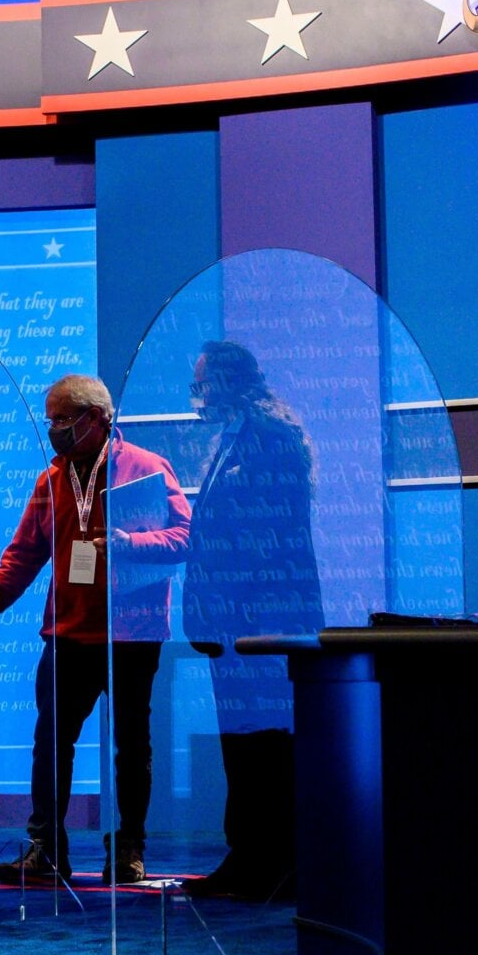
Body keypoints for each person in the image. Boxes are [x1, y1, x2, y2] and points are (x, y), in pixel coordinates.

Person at [0, 374, 191, 885]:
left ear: (99, 418)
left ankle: (128, 849)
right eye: (51, 420)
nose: (54, 429)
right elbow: (23, 553)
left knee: (132, 744)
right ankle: (46, 850)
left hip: (131, 634)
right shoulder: (51, 479)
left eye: (64, 419)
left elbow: (183, 537)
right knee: (51, 742)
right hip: (66, 634)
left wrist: (132, 542)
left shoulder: (147, 469)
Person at [181, 341, 324, 900]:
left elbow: (264, 540)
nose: (197, 398)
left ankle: (270, 860)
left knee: (264, 741)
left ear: (227, 382)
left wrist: (226, 609)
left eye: (202, 385)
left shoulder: (269, 438)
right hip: (234, 621)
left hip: (261, 621)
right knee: (246, 742)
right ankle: (252, 855)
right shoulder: (236, 436)